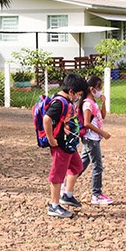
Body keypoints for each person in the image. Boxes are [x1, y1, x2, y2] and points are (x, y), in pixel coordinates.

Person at [44, 73, 87, 218]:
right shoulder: (59, 103)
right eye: (78, 95)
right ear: (71, 91)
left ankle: (67, 195)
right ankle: (54, 205)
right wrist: (50, 139)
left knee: (77, 167)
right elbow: (47, 119)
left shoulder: (67, 101)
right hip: (60, 145)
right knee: (58, 175)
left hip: (70, 145)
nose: (78, 98)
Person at [78, 75, 113, 205]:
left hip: (93, 139)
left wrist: (104, 102)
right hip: (91, 138)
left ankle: (66, 185)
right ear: (92, 89)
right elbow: (87, 123)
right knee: (97, 166)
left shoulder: (94, 103)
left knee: (82, 164)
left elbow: (102, 116)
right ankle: (96, 194)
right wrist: (102, 133)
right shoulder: (87, 103)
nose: (100, 91)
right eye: (99, 89)